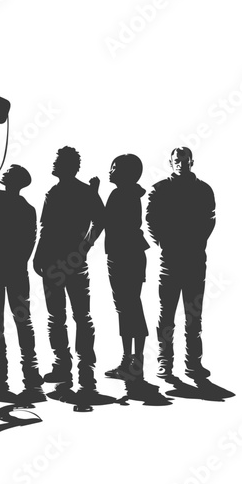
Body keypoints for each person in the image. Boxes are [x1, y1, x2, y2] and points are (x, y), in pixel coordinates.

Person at [0, 117, 44, 402]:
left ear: (9, 181)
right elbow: (30, 243)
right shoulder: (28, 209)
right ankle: (31, 370)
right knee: (21, 320)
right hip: (15, 270)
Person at [33, 146, 105, 399]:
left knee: (66, 317)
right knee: (73, 316)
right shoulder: (79, 191)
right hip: (69, 261)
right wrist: (84, 247)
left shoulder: (55, 193)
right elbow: (99, 220)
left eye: (57, 161)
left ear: (67, 166)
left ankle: (70, 366)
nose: (53, 164)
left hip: (60, 261)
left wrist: (39, 256)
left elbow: (47, 229)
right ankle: (78, 367)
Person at [146, 147, 216, 383]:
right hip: (171, 261)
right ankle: (165, 363)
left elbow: (210, 219)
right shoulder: (160, 189)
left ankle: (193, 364)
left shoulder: (204, 189)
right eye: (177, 161)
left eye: (185, 161)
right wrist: (164, 243)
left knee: (193, 316)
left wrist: (195, 242)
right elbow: (151, 220)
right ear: (171, 162)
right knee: (167, 315)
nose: (181, 164)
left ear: (192, 162)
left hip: (195, 260)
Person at [102, 154, 150, 381]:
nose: (109, 170)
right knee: (131, 308)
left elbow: (104, 220)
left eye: (113, 167)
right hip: (133, 255)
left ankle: (130, 361)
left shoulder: (118, 194)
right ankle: (133, 361)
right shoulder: (131, 194)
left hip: (122, 256)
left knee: (127, 309)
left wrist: (93, 192)